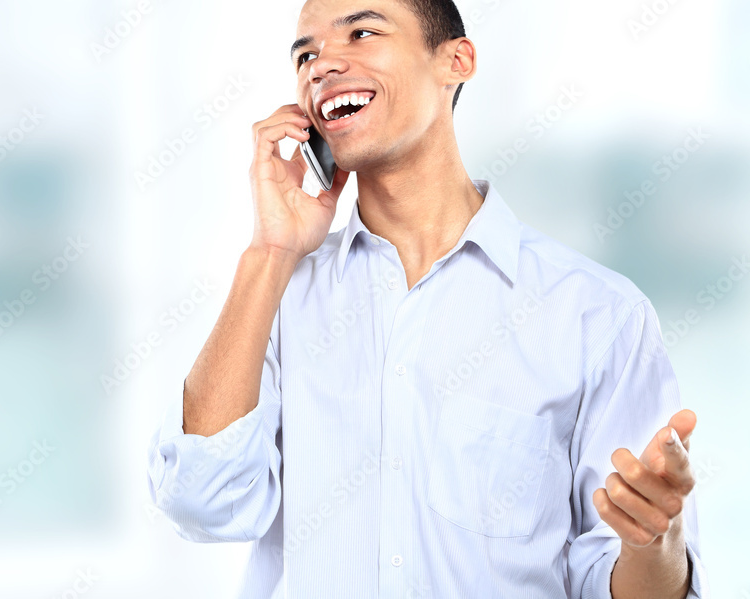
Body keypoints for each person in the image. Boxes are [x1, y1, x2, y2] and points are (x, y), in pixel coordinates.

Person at [145, 0, 709, 597]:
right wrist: (270, 250)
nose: (321, 65)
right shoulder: (277, 296)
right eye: (305, 56)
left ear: (455, 61)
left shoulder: (597, 315)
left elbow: (628, 579)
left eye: (361, 33)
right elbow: (201, 504)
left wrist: (654, 542)